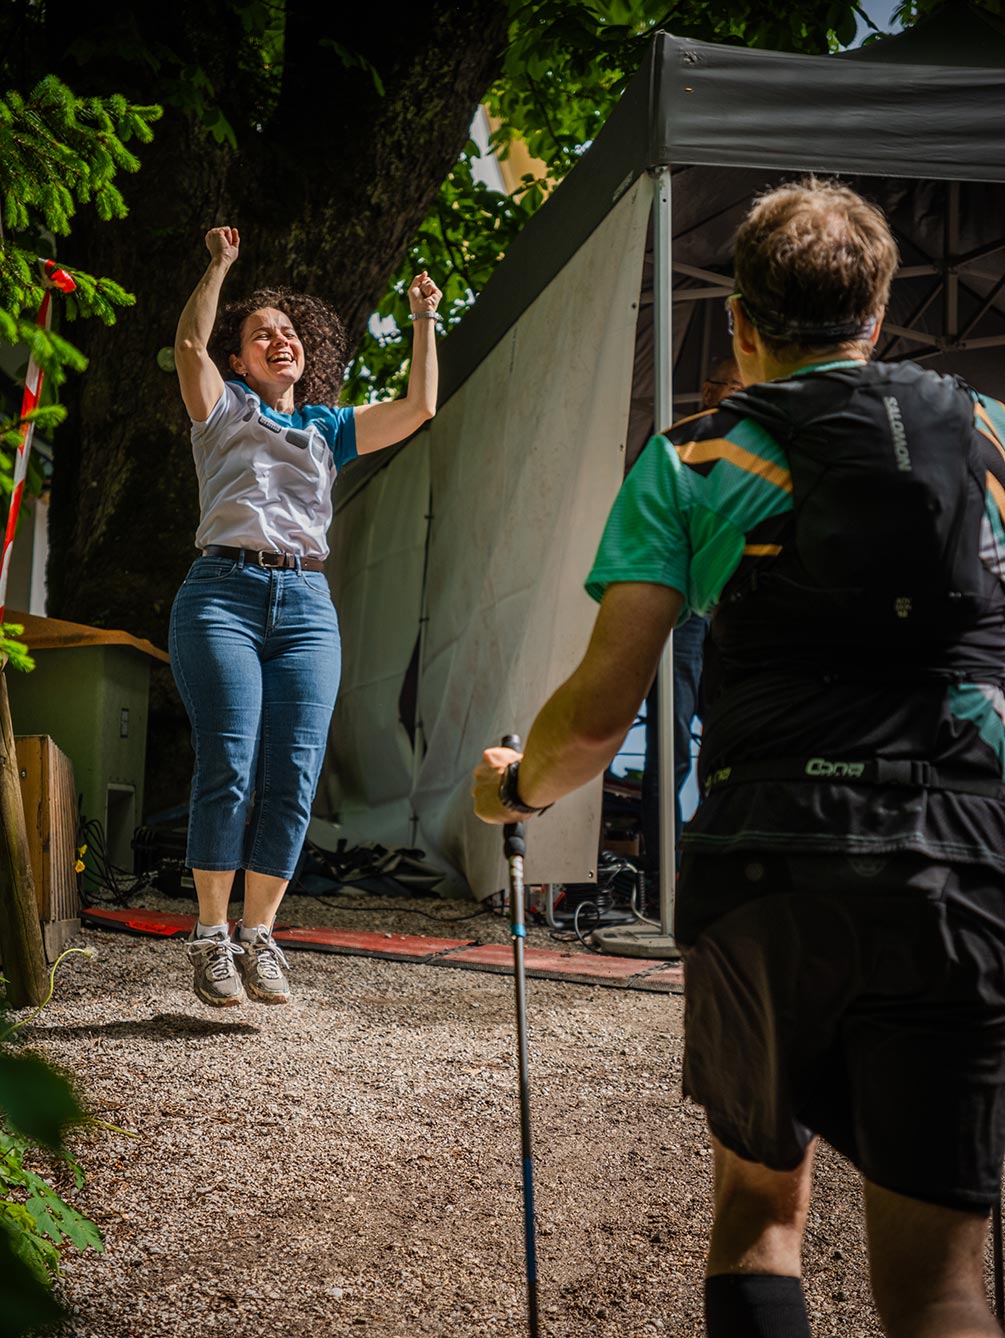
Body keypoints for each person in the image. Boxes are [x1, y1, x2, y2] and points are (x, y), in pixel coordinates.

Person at [473, 178, 1005, 1337]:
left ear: (740, 321)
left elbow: (602, 712)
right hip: (958, 865)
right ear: (881, 310)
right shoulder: (989, 438)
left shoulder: (694, 461)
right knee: (944, 1286)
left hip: (768, 867)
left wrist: (516, 787)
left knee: (762, 1208)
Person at [172, 225, 440, 1007]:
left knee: (292, 772)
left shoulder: (327, 427)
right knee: (230, 759)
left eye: (287, 332)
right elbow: (189, 344)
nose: (278, 340)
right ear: (241, 360)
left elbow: (420, 406)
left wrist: (423, 317)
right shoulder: (222, 411)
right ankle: (211, 938)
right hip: (222, 594)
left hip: (305, 605)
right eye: (261, 335)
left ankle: (260, 937)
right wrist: (220, 265)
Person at [641, 357, 742, 872]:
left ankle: (714, 862)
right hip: (683, 614)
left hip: (732, 613)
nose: (733, 395)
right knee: (671, 742)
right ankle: (662, 872)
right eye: (728, 385)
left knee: (725, 737)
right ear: (707, 389)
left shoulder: (756, 450)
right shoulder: (677, 445)